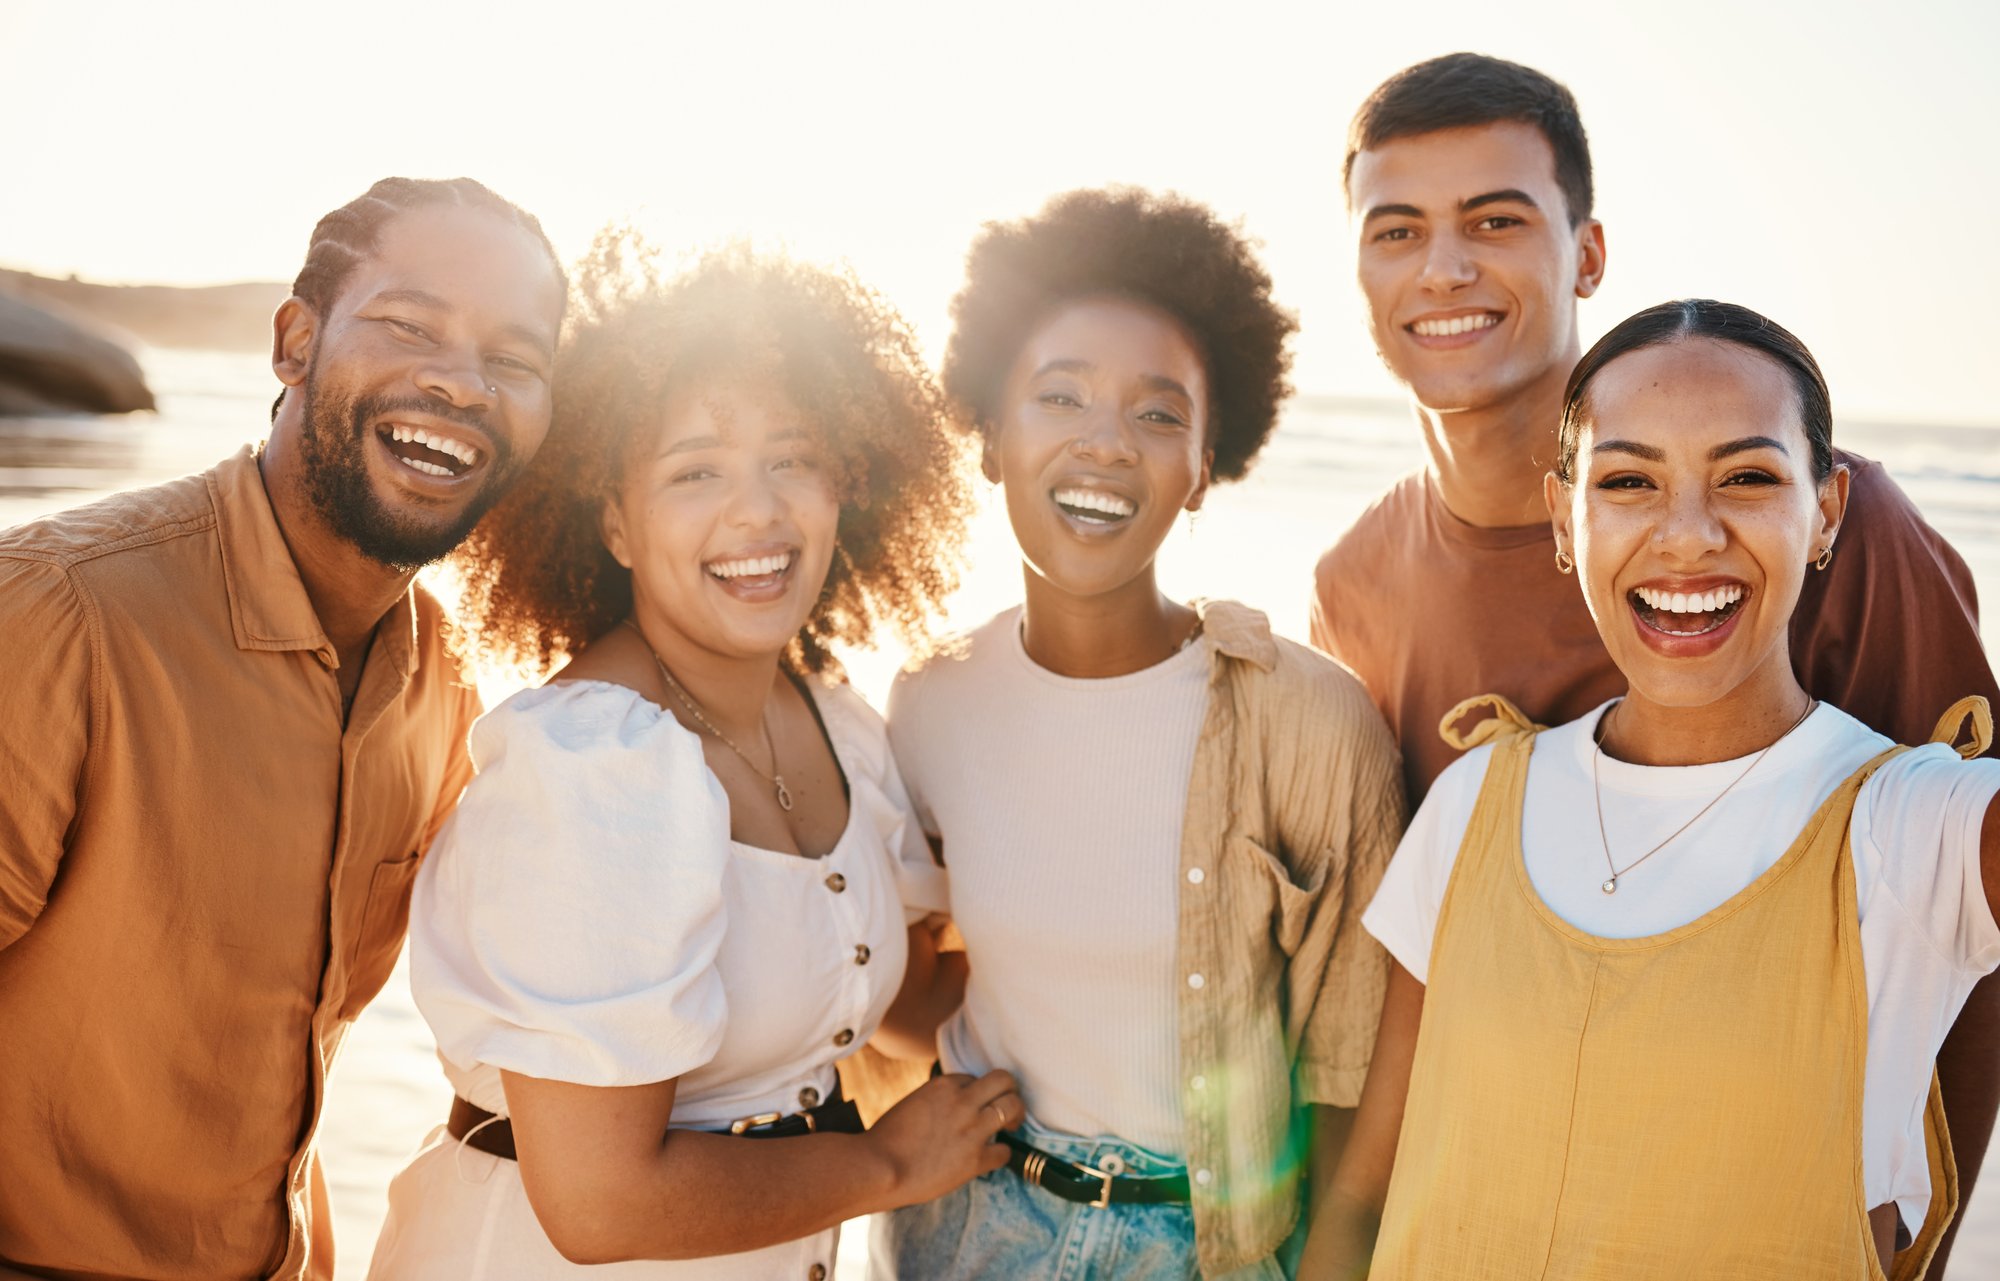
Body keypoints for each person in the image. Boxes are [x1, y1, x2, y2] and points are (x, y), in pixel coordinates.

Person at [1308, 54, 2000, 1270]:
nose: (1444, 268)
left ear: (1584, 254)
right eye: (1396, 229)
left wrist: (1907, 1237)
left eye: (1495, 219)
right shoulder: (1352, 585)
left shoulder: (1852, 536)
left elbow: (1941, 941)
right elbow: (1404, 994)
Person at [365, 240, 1019, 1280]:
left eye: (792, 457)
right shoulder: (589, 770)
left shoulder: (835, 722)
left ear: (844, 478)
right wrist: (889, 1165)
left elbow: (890, 999)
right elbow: (597, 1204)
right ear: (615, 521)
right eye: (695, 470)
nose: (757, 510)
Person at [0, 177, 566, 1280]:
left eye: (517, 359)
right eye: (408, 325)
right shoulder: (59, 614)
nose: (460, 380)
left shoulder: (443, 682)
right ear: (295, 342)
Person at [870, 189, 1404, 1280]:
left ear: (1206, 463)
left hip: (1206, 1246)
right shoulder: (929, 702)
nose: (1104, 444)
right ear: (988, 437)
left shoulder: (1310, 719)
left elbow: (1350, 1060)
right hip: (970, 1226)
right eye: (1057, 396)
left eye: (1157, 414)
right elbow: (901, 983)